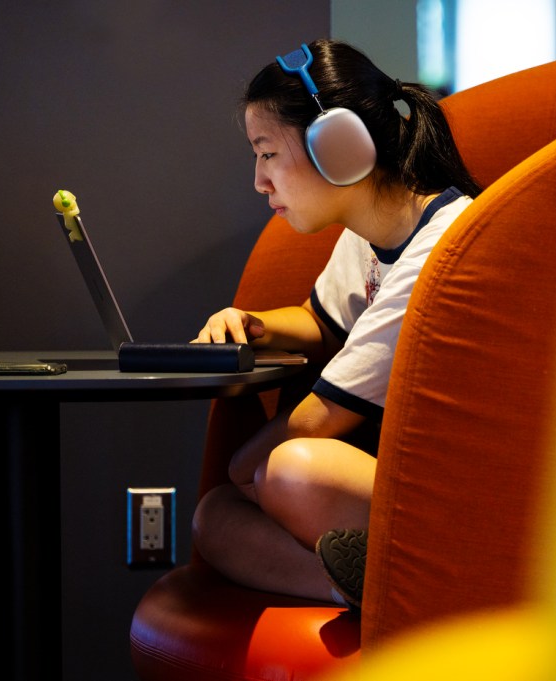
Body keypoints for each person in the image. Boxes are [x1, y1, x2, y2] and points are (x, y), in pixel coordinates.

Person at [191, 38, 480, 606]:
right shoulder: (370, 230)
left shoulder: (441, 247)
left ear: (339, 147)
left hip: (454, 502)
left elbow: (320, 419)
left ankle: (411, 587)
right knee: (213, 517)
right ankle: (361, 590)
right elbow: (321, 322)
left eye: (267, 153)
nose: (259, 180)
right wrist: (252, 324)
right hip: (386, 486)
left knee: (289, 470)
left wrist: (244, 468)